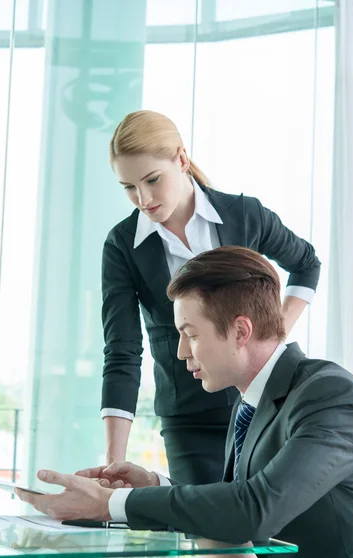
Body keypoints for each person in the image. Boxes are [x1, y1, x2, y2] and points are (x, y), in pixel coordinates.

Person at [18, 246, 353, 558]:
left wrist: (111, 502)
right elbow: (233, 501)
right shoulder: (249, 402)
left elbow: (255, 509)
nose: (182, 351)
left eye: (191, 334)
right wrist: (154, 484)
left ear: (241, 331)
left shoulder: (330, 394)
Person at [102, 109, 321, 488]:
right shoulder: (123, 246)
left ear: (182, 159)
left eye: (153, 180)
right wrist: (112, 464)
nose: (143, 199)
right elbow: (122, 351)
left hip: (264, 402)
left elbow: (306, 264)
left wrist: (271, 334)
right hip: (189, 417)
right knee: (205, 530)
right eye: (129, 187)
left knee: (262, 526)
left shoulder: (244, 215)